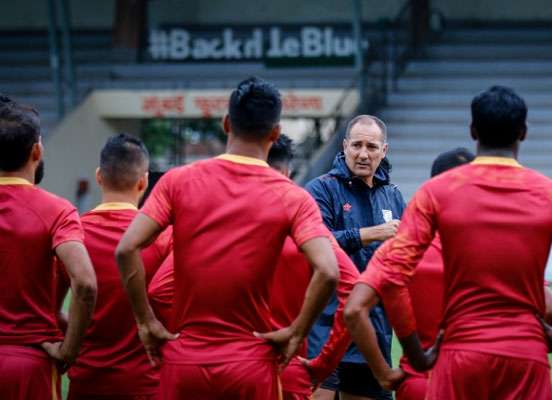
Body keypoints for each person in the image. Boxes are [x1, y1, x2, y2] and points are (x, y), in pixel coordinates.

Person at [345, 86, 552, 400]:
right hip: (525, 357)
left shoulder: (436, 194)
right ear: (523, 132)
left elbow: (377, 288)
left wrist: (418, 355)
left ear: (473, 130)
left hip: (459, 356)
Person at [115, 77, 339, 400]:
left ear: (226, 124)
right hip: (250, 364)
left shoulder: (178, 181)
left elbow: (126, 248)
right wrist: (296, 331)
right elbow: (329, 271)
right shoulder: (293, 197)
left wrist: (145, 321)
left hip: (185, 362)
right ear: (275, 134)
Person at [60, 134, 172, 400]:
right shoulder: (164, 237)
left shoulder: (70, 236)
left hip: (87, 381)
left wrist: (81, 336)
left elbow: (50, 310)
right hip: (146, 383)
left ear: (99, 176)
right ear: (144, 181)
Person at [0, 96, 97, 399]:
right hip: (28, 363)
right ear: (37, 151)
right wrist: (69, 350)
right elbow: (85, 282)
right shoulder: (56, 210)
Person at [305, 115, 405, 400]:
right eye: (357, 145)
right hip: (324, 329)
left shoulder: (393, 196)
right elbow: (315, 245)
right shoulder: (320, 189)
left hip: (373, 333)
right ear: (345, 146)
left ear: (383, 151)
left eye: (372, 147)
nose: (363, 154)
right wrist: (371, 233)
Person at [265, 135, 360, 399]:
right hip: (288, 364)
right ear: (287, 171)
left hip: (226, 361)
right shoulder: (301, 212)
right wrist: (324, 363)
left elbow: (160, 290)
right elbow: (351, 286)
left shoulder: (222, 210)